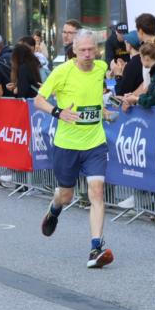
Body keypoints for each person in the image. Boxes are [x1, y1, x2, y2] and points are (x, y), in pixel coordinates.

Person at [34, 29, 114, 269]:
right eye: (83, 51)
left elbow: (96, 95)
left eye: (92, 49)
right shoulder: (62, 71)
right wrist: (59, 112)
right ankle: (54, 209)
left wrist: (103, 111)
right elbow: (39, 99)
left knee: (97, 192)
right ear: (74, 51)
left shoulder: (101, 67)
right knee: (66, 195)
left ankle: (95, 248)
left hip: (95, 142)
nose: (88, 54)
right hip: (67, 145)